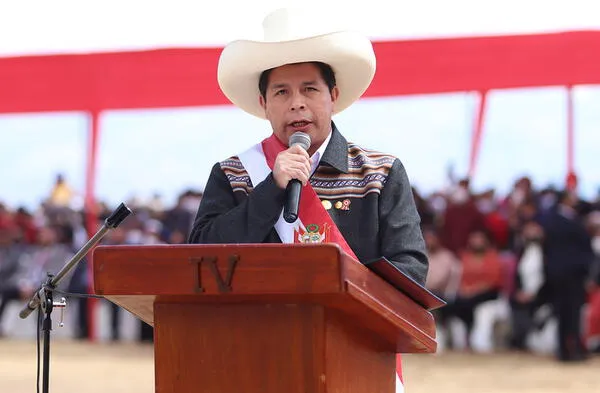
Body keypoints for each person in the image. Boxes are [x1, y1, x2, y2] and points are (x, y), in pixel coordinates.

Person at [188, 8, 429, 392]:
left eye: (310, 89)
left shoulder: (379, 172)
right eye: (281, 92)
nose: (297, 103)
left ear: (333, 96)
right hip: (258, 356)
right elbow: (201, 257)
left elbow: (409, 268)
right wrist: (271, 188)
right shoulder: (233, 174)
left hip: (358, 354)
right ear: (263, 103)